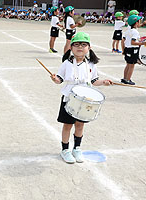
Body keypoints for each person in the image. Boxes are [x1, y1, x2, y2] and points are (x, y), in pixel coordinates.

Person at [50, 32, 112, 164]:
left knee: (80, 125)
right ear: (71, 48)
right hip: (69, 97)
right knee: (68, 125)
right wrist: (55, 79)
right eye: (76, 44)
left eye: (84, 45)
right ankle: (65, 150)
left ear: (89, 48)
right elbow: (59, 80)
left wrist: (104, 82)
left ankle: (77, 148)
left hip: (85, 98)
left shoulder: (91, 64)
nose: (80, 47)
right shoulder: (66, 63)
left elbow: (94, 81)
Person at [121, 15, 146, 85]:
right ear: (136, 23)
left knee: (128, 65)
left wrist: (123, 50)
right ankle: (128, 79)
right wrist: (142, 43)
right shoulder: (135, 32)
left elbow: (125, 40)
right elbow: (133, 42)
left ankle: (124, 78)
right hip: (133, 50)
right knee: (132, 65)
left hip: (127, 49)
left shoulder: (127, 31)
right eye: (139, 21)